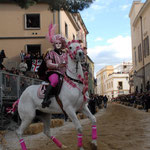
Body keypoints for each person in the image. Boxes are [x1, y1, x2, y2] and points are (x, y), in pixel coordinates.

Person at [40, 24, 67, 108]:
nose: (58, 44)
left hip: (63, 74)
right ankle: (45, 99)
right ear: (54, 44)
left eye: (60, 43)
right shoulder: (50, 53)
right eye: (56, 43)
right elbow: (48, 64)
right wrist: (58, 65)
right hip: (53, 72)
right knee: (54, 81)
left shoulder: (64, 54)